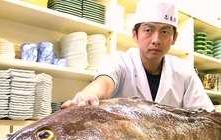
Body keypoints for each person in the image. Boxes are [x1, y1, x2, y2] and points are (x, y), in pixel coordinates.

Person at [61, 0, 215, 112]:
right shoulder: (119, 61)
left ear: (174, 38)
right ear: (135, 34)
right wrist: (88, 94)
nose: (156, 40)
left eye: (165, 32)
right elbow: (105, 82)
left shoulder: (184, 71)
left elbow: (206, 116)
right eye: (148, 30)